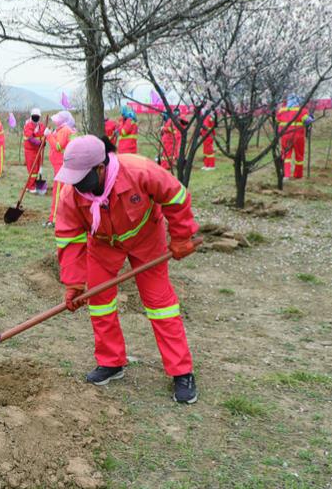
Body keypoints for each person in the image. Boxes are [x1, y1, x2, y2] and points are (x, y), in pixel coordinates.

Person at [53, 135, 200, 404]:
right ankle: (111, 362)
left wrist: (181, 237)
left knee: (160, 303)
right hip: (103, 244)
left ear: (100, 168)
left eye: (81, 178)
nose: (75, 184)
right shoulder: (70, 195)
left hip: (146, 239)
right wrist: (73, 283)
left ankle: (182, 371)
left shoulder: (139, 171)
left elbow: (176, 196)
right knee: (99, 301)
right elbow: (69, 239)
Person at [46, 110, 77, 227]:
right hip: (61, 166)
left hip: (61, 167)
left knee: (58, 193)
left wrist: (48, 136)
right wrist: (51, 134)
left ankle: (54, 219)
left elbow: (58, 146)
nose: (55, 121)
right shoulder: (64, 129)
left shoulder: (65, 130)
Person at [277, 96, 312, 179]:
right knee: (299, 155)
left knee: (286, 155)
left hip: (285, 135)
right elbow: (307, 121)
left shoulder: (282, 110)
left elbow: (278, 120)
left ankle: (286, 175)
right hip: (298, 136)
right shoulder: (302, 110)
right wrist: (311, 118)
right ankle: (298, 175)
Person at [23, 108, 47, 194]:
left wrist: (46, 137)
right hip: (30, 151)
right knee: (32, 169)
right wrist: (40, 143)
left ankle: (31, 184)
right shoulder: (28, 125)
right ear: (31, 116)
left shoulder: (41, 126)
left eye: (37, 116)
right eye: (34, 116)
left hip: (38, 150)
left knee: (37, 169)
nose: (36, 118)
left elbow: (45, 133)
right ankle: (31, 186)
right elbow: (30, 138)